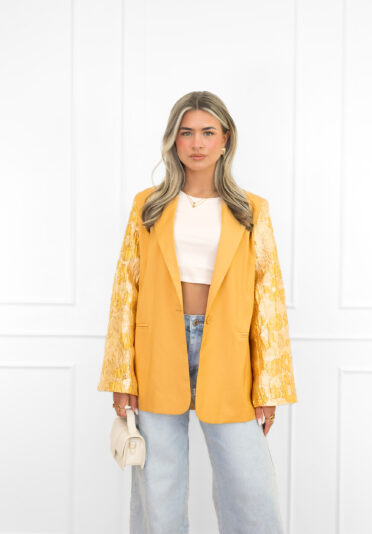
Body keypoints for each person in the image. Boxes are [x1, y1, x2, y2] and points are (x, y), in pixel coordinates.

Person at [97, 90, 298, 533]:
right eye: (186, 133)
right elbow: (125, 291)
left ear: (226, 139)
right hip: (158, 348)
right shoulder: (148, 205)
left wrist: (268, 386)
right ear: (174, 140)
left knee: (249, 485)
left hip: (228, 350)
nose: (197, 143)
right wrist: (121, 378)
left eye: (208, 132)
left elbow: (268, 299)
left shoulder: (251, 210)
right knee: (159, 485)